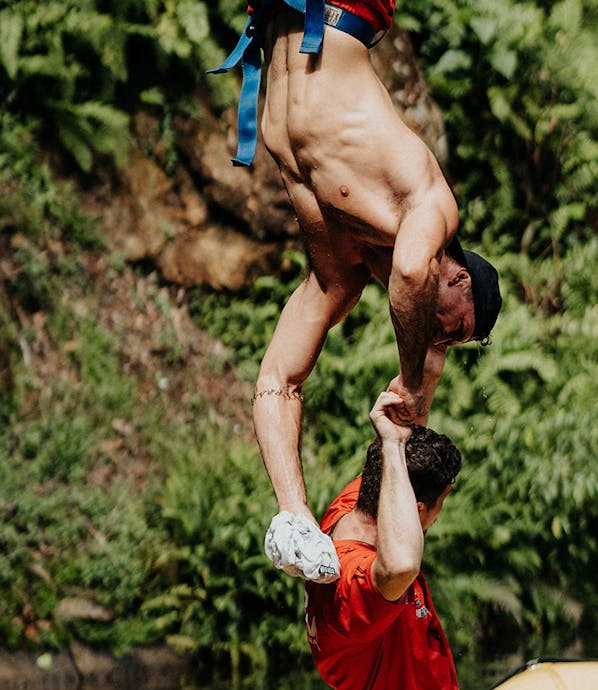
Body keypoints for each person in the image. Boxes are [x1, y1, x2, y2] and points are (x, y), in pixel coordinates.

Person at [209, 0, 503, 583]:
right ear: (461, 277)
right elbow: (413, 275)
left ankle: (291, 519)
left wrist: (297, 513)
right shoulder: (433, 210)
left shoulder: (340, 271)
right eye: (457, 326)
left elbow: (277, 380)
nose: (445, 335)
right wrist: (415, 380)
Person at [304, 390, 487, 690]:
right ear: (418, 511)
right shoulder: (356, 585)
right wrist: (389, 442)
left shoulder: (351, 508)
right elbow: (401, 563)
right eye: (439, 508)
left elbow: (402, 429)